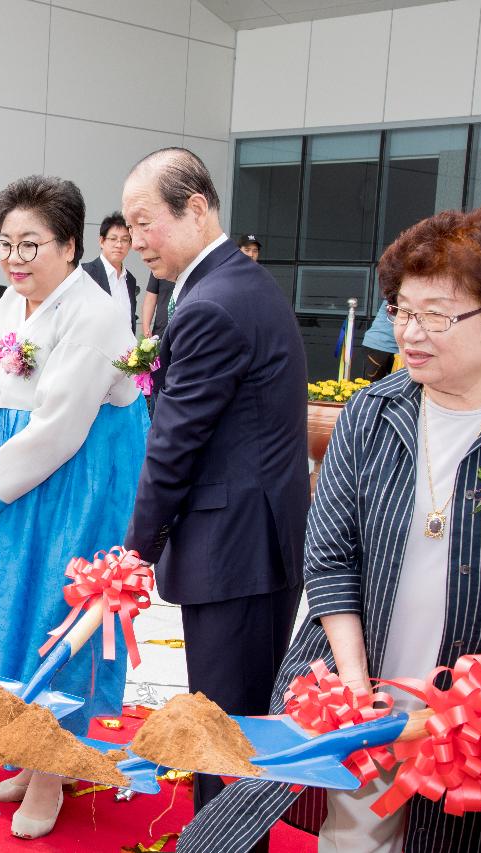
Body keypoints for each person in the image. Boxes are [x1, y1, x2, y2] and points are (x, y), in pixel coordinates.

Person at [180, 205, 481, 853]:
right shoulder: (372, 414)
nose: (412, 332)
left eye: (438, 313)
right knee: (354, 836)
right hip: (366, 692)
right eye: (403, 310)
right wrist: (355, 683)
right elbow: (330, 555)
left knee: (468, 837)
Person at [0, 176, 149, 839]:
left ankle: (53, 769)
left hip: (75, 481)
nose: (15, 257)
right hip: (22, 472)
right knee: (12, 601)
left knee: (55, 613)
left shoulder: (94, 312)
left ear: (69, 244)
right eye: (5, 242)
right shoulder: (13, 303)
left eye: (31, 243)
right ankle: (30, 756)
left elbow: (59, 427)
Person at [121, 148, 309, 836]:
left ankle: (222, 841)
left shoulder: (213, 304)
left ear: (196, 209)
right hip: (251, 542)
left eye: (146, 222)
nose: (137, 238)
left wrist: (132, 553)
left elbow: (174, 444)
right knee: (231, 722)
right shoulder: (230, 284)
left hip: (236, 549)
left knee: (221, 729)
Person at [81, 211, 140, 335]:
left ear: (130, 244)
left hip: (125, 352)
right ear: (101, 241)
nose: (119, 245)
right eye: (113, 239)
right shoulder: (85, 273)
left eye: (125, 240)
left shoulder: (131, 280)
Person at [361, 301, 400, 382]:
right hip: (378, 346)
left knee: (399, 385)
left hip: (397, 349)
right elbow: (397, 319)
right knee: (372, 385)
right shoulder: (394, 296)